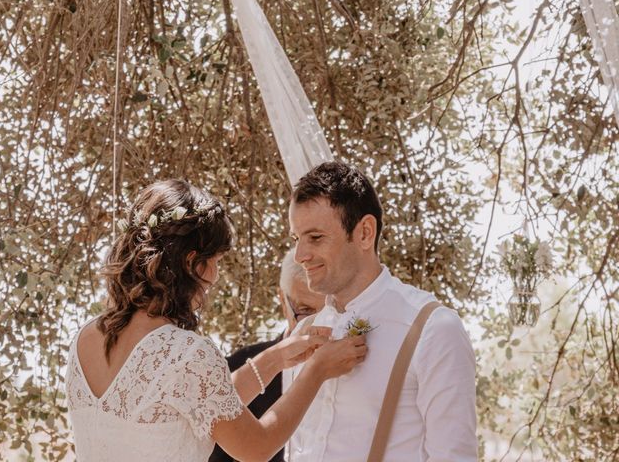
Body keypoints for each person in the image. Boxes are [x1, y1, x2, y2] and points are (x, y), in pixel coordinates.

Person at [65, 179, 367, 462]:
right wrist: (315, 372)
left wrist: (275, 359)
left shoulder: (86, 338)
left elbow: (198, 405)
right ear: (190, 263)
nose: (215, 276)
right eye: (215, 262)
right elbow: (255, 447)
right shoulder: (185, 353)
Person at [285, 161, 477, 462]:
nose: (300, 255)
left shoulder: (433, 329)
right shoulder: (302, 334)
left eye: (316, 238)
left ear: (364, 233)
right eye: (297, 239)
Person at [209, 249, 325, 462]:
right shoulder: (236, 367)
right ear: (283, 301)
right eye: (306, 311)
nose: (318, 325)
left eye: (329, 311)